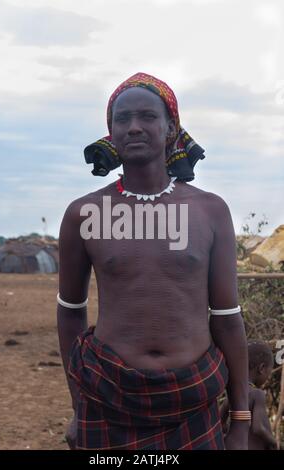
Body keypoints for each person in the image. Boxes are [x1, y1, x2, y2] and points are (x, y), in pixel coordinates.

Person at [57, 72, 250, 450]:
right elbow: (70, 313)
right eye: (122, 119)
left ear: (170, 128)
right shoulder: (83, 214)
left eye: (147, 116)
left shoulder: (210, 212)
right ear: (110, 132)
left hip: (192, 400)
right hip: (107, 398)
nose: (133, 127)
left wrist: (241, 417)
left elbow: (227, 317)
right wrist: (79, 405)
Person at [220, 340, 277, 450]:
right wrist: (273, 441)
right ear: (261, 368)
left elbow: (220, 423)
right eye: (268, 373)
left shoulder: (232, 392)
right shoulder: (257, 394)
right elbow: (258, 427)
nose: (268, 378)